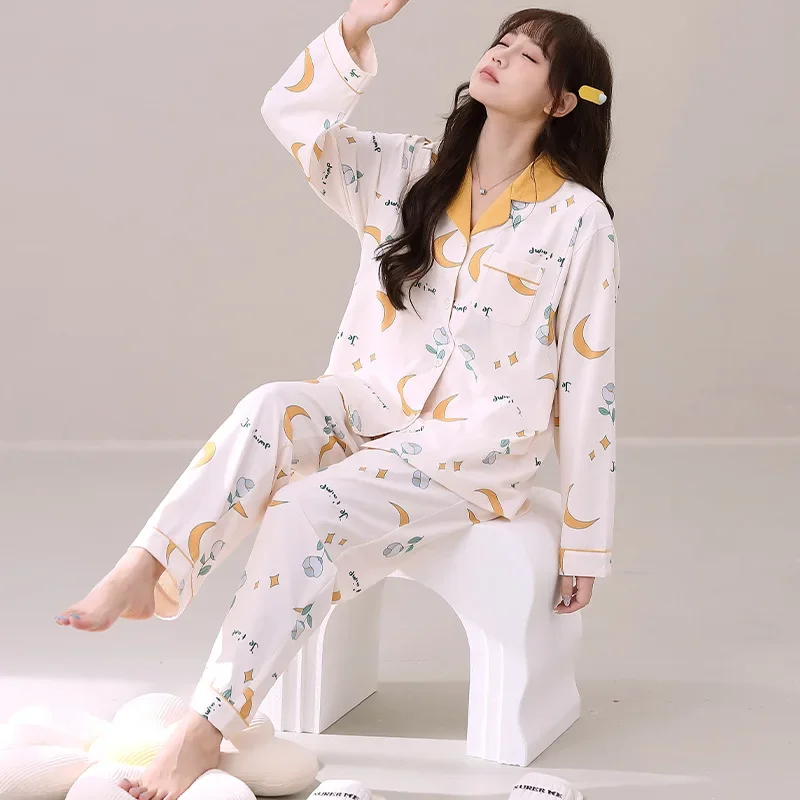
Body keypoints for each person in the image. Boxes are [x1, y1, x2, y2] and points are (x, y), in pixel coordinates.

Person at [56, 0, 620, 797]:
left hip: (470, 447)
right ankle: (145, 567)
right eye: (501, 41)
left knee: (305, 507)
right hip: (368, 398)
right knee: (271, 405)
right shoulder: (410, 170)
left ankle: (204, 727)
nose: (499, 55)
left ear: (562, 101)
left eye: (527, 55)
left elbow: (588, 383)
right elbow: (293, 120)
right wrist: (355, 28)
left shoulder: (578, 221)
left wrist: (586, 542)